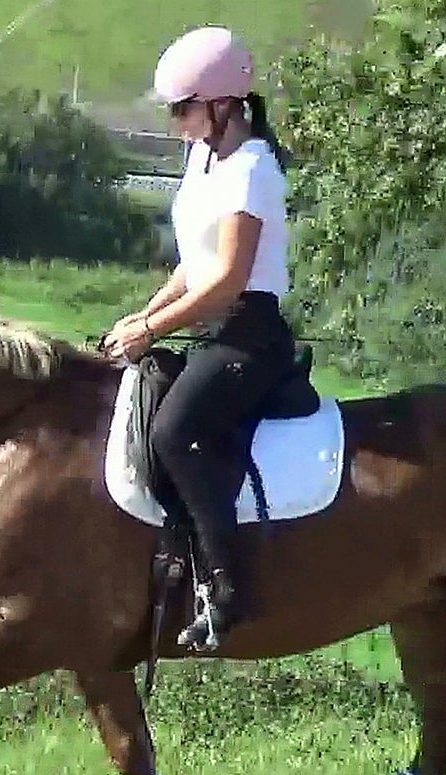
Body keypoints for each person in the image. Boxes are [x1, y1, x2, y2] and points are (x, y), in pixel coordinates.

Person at [101, 25, 296, 650]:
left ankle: (225, 588)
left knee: (173, 431)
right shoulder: (203, 159)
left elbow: (229, 280)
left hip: (248, 336)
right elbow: (193, 264)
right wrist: (138, 318)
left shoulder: (253, 170)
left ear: (222, 106)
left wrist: (155, 327)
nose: (177, 122)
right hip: (209, 329)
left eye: (184, 110)